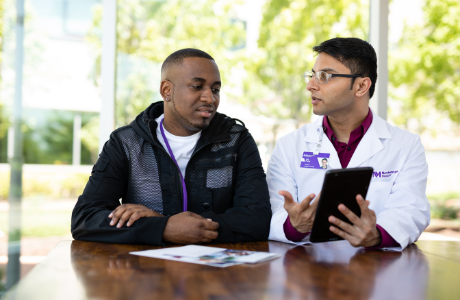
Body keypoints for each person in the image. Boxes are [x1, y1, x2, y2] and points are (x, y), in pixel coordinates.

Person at [71, 48, 271, 245]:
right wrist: (164, 228)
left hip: (215, 273)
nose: (210, 98)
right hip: (148, 272)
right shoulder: (126, 142)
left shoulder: (236, 140)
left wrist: (169, 225)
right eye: (196, 86)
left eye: (215, 89)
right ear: (166, 90)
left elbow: (257, 220)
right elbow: (85, 218)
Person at [267, 38, 430, 250]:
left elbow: (411, 210)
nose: (310, 85)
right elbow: (274, 211)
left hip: (376, 269)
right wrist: (294, 225)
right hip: (307, 270)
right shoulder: (289, 146)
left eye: (324, 76)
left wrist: (376, 235)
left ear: (362, 85)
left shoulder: (406, 145)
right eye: (312, 75)